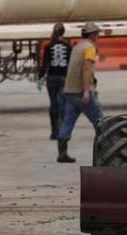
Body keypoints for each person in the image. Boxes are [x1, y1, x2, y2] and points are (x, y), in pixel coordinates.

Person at [57, 22, 104, 163]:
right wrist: (86, 91)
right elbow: (86, 70)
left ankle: (62, 154)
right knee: (101, 123)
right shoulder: (89, 48)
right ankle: (104, 153)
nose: (98, 36)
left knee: (67, 123)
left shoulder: (77, 47)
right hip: (81, 92)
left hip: (69, 92)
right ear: (92, 34)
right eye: (96, 33)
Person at [38, 23, 71, 140]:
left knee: (53, 104)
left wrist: (40, 78)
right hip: (63, 78)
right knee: (63, 104)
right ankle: (63, 130)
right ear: (63, 32)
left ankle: (54, 131)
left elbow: (45, 64)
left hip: (51, 78)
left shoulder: (49, 46)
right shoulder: (68, 47)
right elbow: (70, 65)